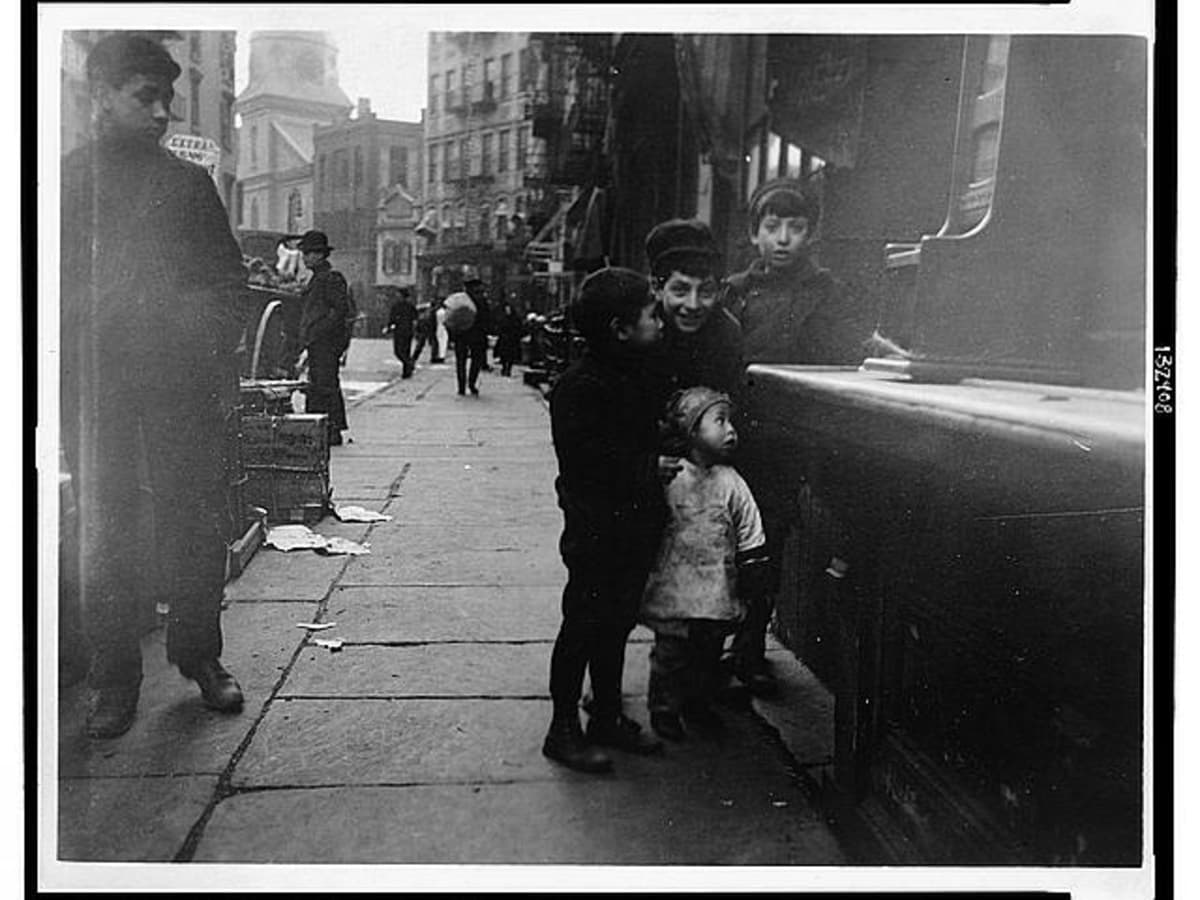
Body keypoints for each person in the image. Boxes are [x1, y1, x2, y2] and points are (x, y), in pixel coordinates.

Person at [60, 32, 247, 739]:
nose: (164, 111)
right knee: (105, 533)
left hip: (179, 385)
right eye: (146, 96)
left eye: (168, 97)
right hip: (99, 391)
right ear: (100, 95)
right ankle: (113, 681)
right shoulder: (68, 184)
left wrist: (189, 330)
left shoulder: (187, 184)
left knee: (195, 523)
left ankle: (201, 658)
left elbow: (230, 283)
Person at [722, 176, 873, 695]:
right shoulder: (737, 293)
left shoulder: (829, 293)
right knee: (726, 541)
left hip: (796, 442)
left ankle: (749, 649)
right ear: (755, 234)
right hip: (738, 436)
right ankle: (713, 646)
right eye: (772, 226)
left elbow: (849, 354)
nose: (783, 237)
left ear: (811, 234)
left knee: (769, 542)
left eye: (796, 226)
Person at [543, 267, 678, 773]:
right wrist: (651, 465)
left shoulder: (635, 371)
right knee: (582, 624)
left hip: (634, 527)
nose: (661, 322)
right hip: (595, 530)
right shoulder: (580, 386)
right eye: (651, 314)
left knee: (617, 624)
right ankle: (562, 728)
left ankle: (605, 714)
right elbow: (588, 462)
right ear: (621, 329)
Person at [639, 387, 769, 741]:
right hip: (676, 580)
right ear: (693, 431)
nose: (731, 431)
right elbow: (650, 518)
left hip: (715, 583)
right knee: (670, 652)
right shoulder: (672, 476)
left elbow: (749, 525)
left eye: (731, 422)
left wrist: (753, 564)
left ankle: (697, 703)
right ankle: (663, 707)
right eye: (720, 421)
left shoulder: (731, 482)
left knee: (708, 651)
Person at [643, 218, 744, 408]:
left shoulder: (726, 333)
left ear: (719, 291)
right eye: (680, 291)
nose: (693, 304)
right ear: (657, 288)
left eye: (706, 292)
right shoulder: (640, 328)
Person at [296, 230, 351, 445]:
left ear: (319, 255)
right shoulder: (318, 278)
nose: (304, 257)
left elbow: (339, 311)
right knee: (319, 384)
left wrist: (319, 331)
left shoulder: (331, 278)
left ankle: (331, 430)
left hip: (325, 343)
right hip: (319, 342)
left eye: (307, 253)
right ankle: (323, 429)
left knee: (325, 385)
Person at [450, 270, 492, 396]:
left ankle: (461, 386)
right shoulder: (482, 300)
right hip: (478, 335)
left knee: (461, 361)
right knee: (476, 360)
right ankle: (472, 383)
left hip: (461, 334)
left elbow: (451, 315)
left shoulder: (460, 300)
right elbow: (487, 317)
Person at [383, 286, 417, 378]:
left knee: (398, 351)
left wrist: (389, 327)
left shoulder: (396, 306)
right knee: (406, 351)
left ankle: (408, 364)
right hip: (408, 331)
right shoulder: (410, 306)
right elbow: (415, 319)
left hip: (400, 331)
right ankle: (407, 371)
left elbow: (392, 318)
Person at [494, 301, 523, 377]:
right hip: (505, 339)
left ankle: (508, 369)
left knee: (510, 356)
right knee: (504, 356)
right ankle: (504, 368)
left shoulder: (514, 319)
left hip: (511, 340)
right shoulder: (503, 318)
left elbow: (519, 328)